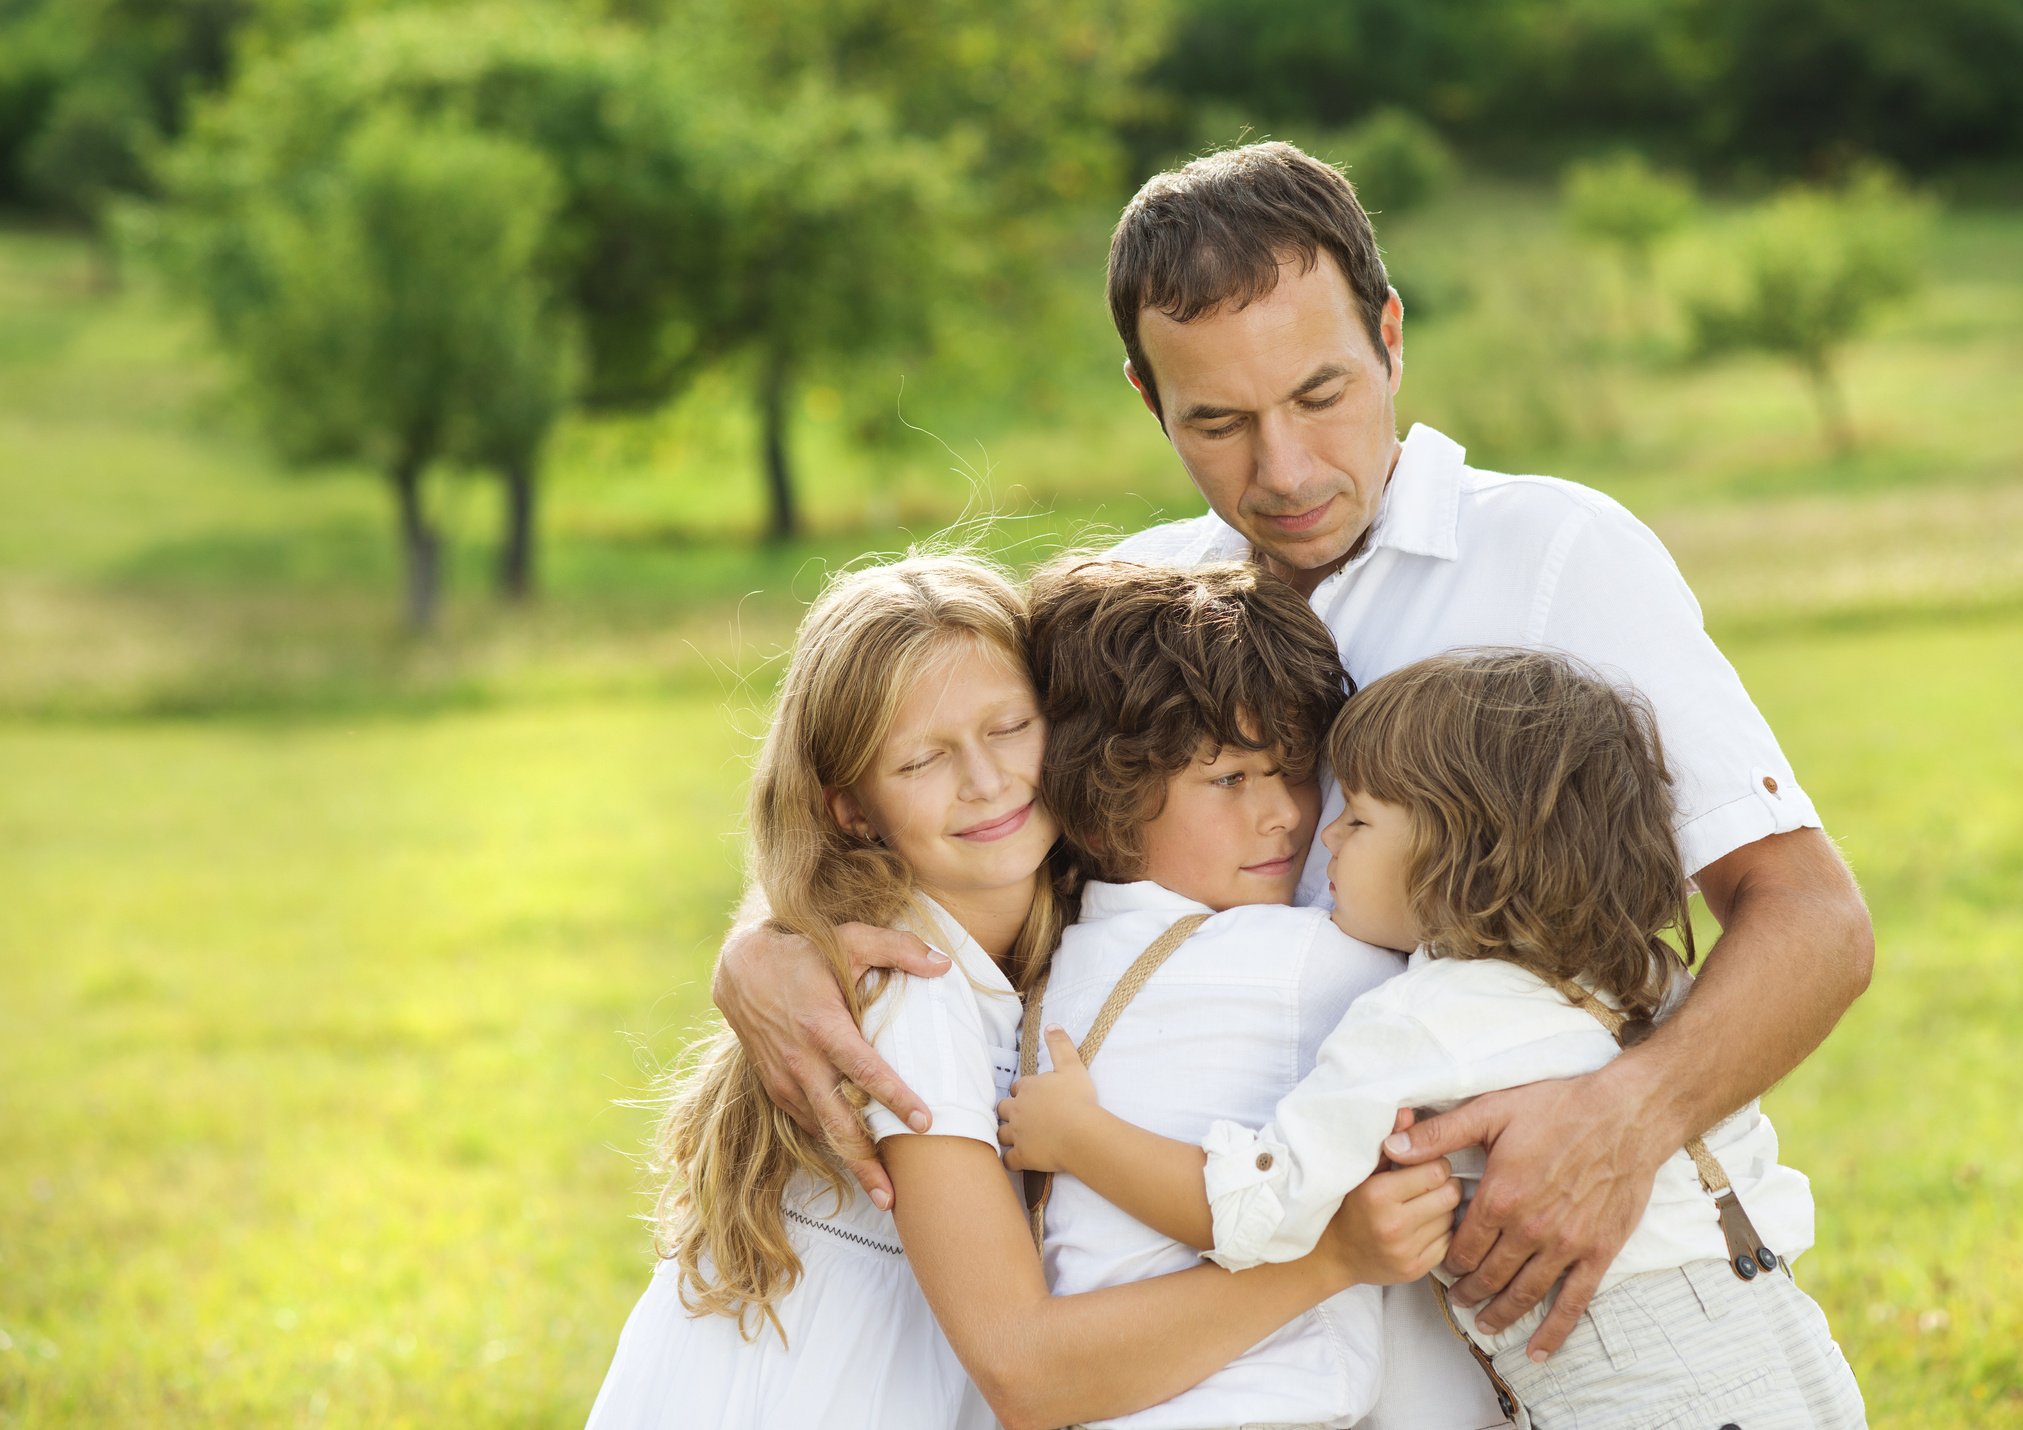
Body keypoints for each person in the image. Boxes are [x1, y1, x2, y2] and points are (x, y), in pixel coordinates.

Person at [711, 141, 1874, 1386]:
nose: (1284, 471)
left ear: (1388, 331)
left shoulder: (1558, 553)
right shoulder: (1148, 606)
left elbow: (1813, 919)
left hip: (1539, 1310)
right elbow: (940, 782)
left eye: (1320, 394)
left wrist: (1627, 1117)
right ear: (1148, 399)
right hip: (1238, 1336)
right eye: (1216, 421)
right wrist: (771, 940)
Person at [587, 553, 1451, 1430]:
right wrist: (1329, 1260)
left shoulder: (1060, 934)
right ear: (850, 808)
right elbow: (1024, 1368)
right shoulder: (907, 982)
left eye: (1008, 727)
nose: (985, 780)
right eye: (922, 759)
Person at [1001, 648, 1868, 1427]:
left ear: (1457, 856)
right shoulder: (1642, 976)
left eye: (1362, 819)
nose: (1322, 834)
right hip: (1782, 1334)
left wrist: (1079, 1135)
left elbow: (1259, 1210)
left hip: (1636, 1384)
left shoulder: (1418, 1019)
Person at [1006, 553, 1446, 1428]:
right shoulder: (1298, 958)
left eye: (1291, 768)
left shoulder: (1051, 967)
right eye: (1228, 779)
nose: (1285, 811)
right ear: (1102, 808)